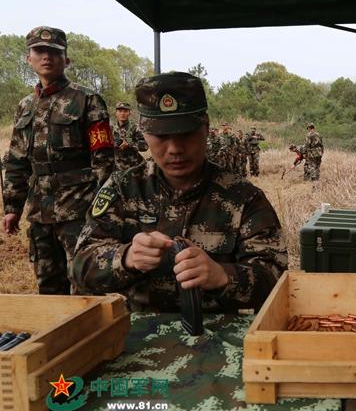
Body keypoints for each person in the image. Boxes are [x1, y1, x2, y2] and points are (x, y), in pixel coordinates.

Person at [72, 72, 288, 312]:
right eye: (162, 137)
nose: (175, 149)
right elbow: (81, 264)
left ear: (205, 128)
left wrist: (223, 276)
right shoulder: (123, 188)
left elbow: (277, 277)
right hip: (141, 336)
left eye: (186, 135)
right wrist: (126, 258)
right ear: (144, 133)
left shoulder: (243, 198)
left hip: (220, 338)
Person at [2, 26, 115, 295]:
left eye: (55, 52)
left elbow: (104, 160)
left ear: (66, 59)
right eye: (39, 51)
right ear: (28, 58)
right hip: (40, 211)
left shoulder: (87, 99)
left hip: (78, 208)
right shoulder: (25, 106)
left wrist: (99, 211)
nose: (47, 57)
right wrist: (12, 207)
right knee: (48, 286)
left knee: (84, 283)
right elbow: (17, 160)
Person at [113, 101, 148, 170]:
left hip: (134, 168)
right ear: (116, 113)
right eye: (120, 111)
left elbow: (145, 146)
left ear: (130, 113)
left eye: (125, 111)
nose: (122, 113)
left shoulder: (135, 128)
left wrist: (129, 144)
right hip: (117, 168)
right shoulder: (111, 128)